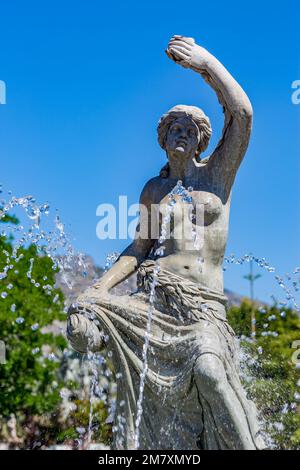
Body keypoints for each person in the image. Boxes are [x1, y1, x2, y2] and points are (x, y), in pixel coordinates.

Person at [67, 36, 265, 450]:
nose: (180, 133)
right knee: (84, 324)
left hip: (202, 307)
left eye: (189, 129)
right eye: (174, 128)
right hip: (158, 303)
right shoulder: (155, 190)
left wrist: (204, 63)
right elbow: (139, 249)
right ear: (163, 138)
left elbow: (242, 114)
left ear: (201, 140)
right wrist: (98, 290)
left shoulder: (216, 177)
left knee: (211, 372)